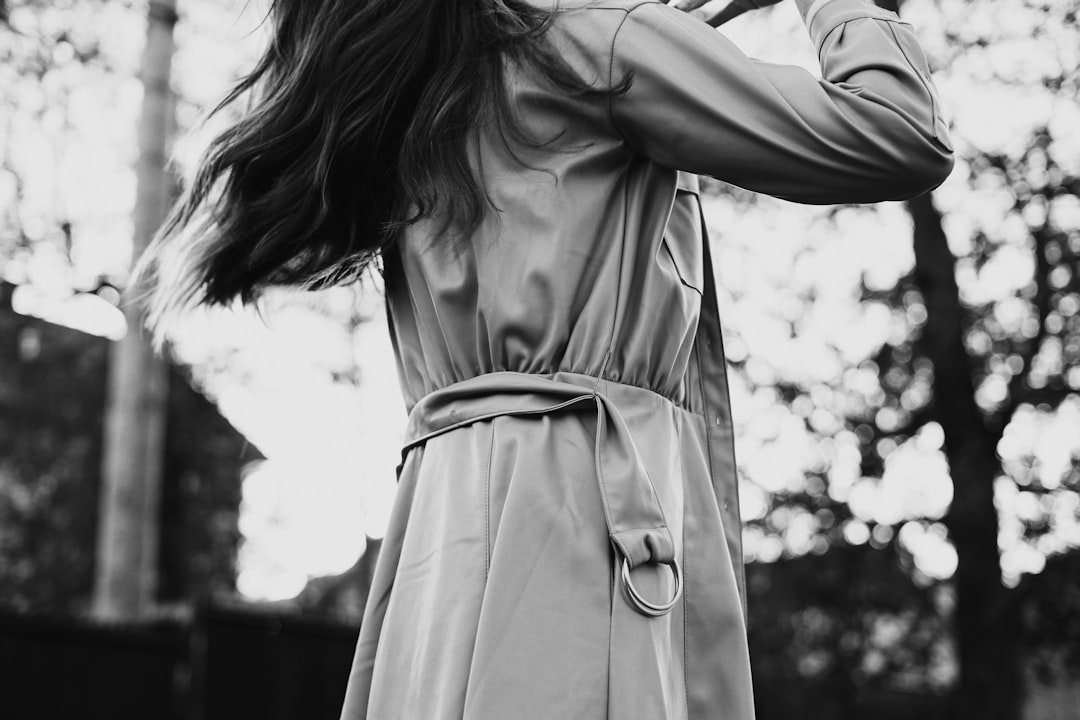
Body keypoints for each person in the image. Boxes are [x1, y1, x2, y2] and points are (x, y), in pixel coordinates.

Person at [130, 0, 953, 717]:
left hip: (440, 550)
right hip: (578, 514)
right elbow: (898, 128)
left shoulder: (433, 76)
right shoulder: (597, 43)